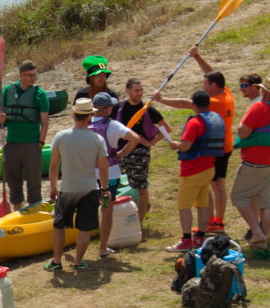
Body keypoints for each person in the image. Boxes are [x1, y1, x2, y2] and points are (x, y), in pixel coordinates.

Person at [152, 46, 235, 225]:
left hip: (219, 149)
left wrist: (162, 100)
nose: (203, 86)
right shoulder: (226, 93)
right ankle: (216, 220)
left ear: (213, 86)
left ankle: (217, 221)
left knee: (216, 186)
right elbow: (211, 72)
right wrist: (197, 57)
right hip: (226, 145)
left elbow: (186, 103)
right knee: (217, 184)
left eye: (205, 84)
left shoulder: (213, 102)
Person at [46, 98, 109, 272]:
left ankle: (57, 261)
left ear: (74, 115)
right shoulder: (97, 139)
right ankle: (78, 262)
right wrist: (104, 189)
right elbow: (103, 168)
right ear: (90, 116)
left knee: (59, 225)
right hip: (89, 187)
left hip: (68, 188)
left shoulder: (61, 136)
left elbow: (53, 166)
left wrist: (52, 187)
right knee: (85, 228)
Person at [232, 75, 270, 248]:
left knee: (239, 196)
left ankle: (257, 233)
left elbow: (243, 132)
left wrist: (239, 128)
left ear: (264, 91)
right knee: (267, 202)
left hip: (254, 162)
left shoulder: (259, 107)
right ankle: (264, 238)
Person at [87, 93, 147, 257]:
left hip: (89, 173)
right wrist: (121, 153)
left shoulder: (84, 123)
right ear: (107, 109)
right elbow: (135, 138)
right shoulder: (113, 125)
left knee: (87, 207)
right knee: (107, 209)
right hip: (110, 172)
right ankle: (103, 247)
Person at [163, 91, 223, 252]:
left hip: (192, 171)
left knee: (184, 206)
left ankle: (186, 240)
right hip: (209, 168)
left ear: (193, 105)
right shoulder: (215, 118)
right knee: (203, 204)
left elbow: (185, 146)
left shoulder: (195, 123)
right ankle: (200, 238)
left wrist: (174, 144)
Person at [0, 61, 51, 208]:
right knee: (13, 181)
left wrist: (40, 143)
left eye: (34, 74)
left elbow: (45, 121)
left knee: (34, 181)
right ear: (21, 75)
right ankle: (17, 211)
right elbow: (0, 111)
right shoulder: (8, 90)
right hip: (12, 143)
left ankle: (34, 211)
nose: (33, 78)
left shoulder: (40, 94)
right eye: (29, 75)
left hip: (32, 144)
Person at [112, 78, 168, 225]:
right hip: (118, 153)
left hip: (139, 154)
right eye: (136, 90)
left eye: (141, 90)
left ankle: (139, 223)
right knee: (113, 187)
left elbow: (166, 129)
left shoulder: (147, 109)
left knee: (142, 189)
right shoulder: (118, 107)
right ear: (127, 91)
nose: (140, 93)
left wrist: (150, 143)